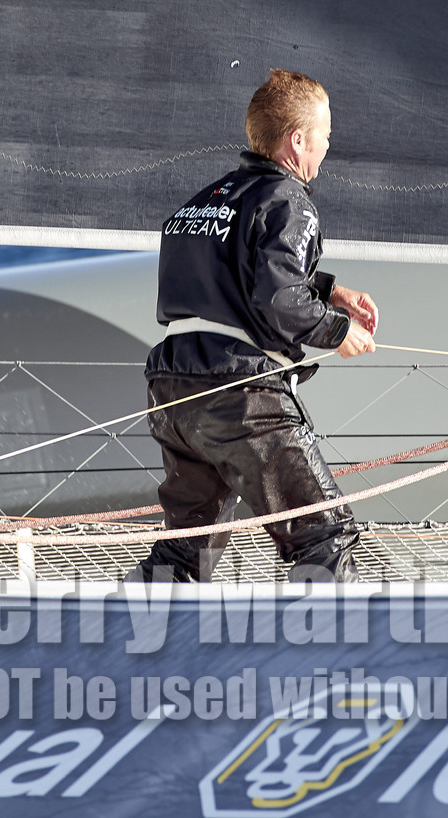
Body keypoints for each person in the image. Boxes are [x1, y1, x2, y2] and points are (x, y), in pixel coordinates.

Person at [127, 68, 378, 583]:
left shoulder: (197, 204)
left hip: (171, 391)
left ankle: (129, 641)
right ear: (298, 139)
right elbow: (280, 298)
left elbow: (231, 269)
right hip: (241, 394)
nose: (326, 152)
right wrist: (336, 329)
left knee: (185, 548)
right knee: (324, 536)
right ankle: (337, 657)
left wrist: (330, 290)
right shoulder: (290, 202)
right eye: (325, 138)